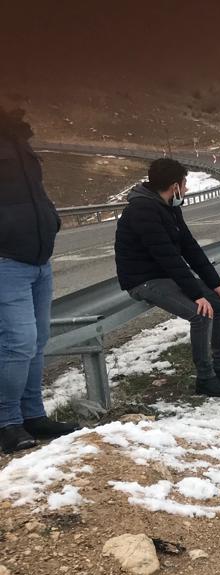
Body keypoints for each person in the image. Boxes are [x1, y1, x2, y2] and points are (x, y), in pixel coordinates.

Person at [115, 158, 220, 397]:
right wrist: (197, 295)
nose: (186, 189)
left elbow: (189, 246)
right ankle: (205, 377)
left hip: (165, 276)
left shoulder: (168, 206)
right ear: (174, 186)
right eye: (184, 184)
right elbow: (167, 256)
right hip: (144, 280)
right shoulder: (142, 210)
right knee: (201, 313)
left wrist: (215, 284)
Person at [0, 106, 80, 454]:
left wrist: (50, 218)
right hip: (6, 260)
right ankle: (6, 423)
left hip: (38, 260)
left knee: (37, 340)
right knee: (19, 341)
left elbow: (34, 191)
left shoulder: (19, 139)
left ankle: (33, 415)